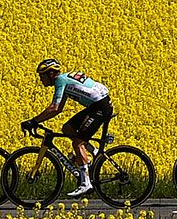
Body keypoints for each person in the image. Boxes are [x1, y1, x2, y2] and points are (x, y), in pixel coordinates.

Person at [27, 59, 113, 196]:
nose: (40, 79)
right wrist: (36, 121)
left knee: (78, 142)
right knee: (67, 129)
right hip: (99, 104)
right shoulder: (65, 79)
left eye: (41, 76)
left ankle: (86, 183)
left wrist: (33, 121)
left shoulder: (60, 81)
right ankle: (94, 152)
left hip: (99, 107)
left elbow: (54, 108)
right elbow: (59, 108)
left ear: (50, 74)